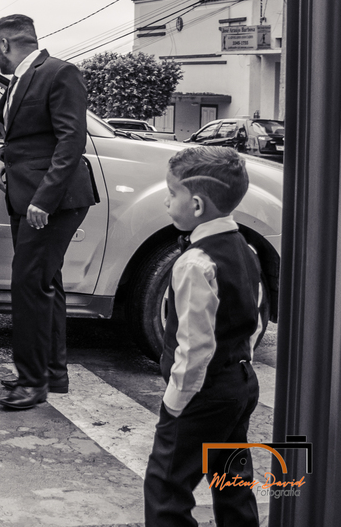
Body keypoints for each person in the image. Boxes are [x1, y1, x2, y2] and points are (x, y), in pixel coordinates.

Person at [143, 146, 262, 527]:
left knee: (166, 488)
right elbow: (254, 319)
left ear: (196, 205)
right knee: (232, 483)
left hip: (202, 395)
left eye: (172, 193)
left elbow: (195, 347)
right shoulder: (246, 249)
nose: (166, 200)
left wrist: (175, 402)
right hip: (239, 383)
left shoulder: (195, 263)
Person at [0, 14, 97, 410]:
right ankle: (53, 372)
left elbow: (71, 141)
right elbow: (28, 137)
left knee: (29, 286)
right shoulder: (18, 82)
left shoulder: (60, 73)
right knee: (46, 283)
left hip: (54, 201)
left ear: (3, 44)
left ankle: (32, 383)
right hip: (27, 195)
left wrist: (42, 201)